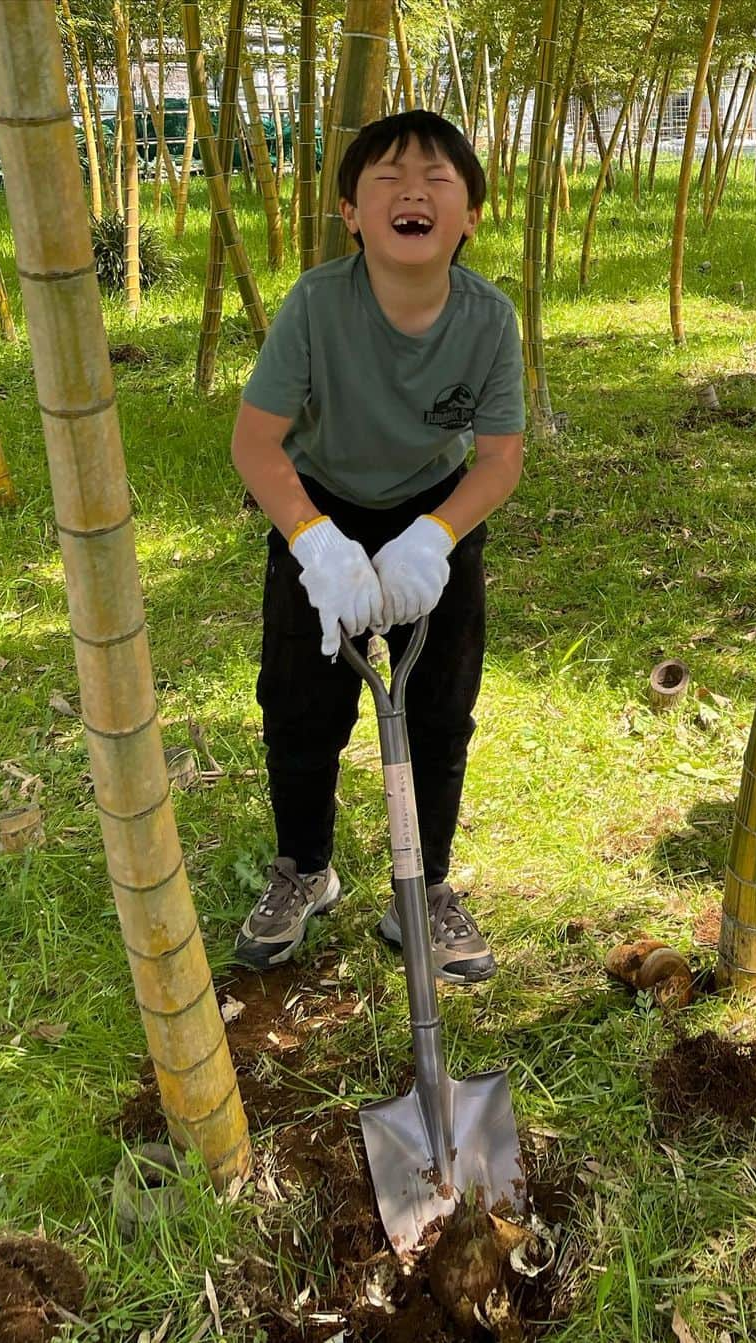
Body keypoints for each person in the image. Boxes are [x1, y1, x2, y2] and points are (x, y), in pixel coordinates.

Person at [229, 109, 525, 983]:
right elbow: (256, 443)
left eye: (438, 179)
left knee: (439, 712)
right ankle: (304, 870)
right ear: (352, 212)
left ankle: (424, 889)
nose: (412, 192)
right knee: (299, 707)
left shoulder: (487, 318)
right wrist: (315, 545)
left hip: (435, 514)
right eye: (387, 177)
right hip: (319, 505)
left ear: (470, 213)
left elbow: (500, 459)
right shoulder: (318, 303)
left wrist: (434, 539)